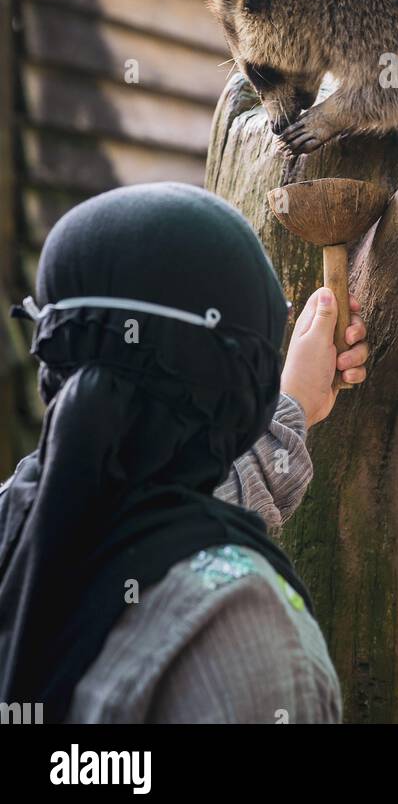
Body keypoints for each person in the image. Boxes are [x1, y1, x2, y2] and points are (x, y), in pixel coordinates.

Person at [0, 182, 369, 724]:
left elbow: (126, 500)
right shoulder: (238, 622)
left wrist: (290, 408)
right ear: (239, 380)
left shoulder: (19, 519)